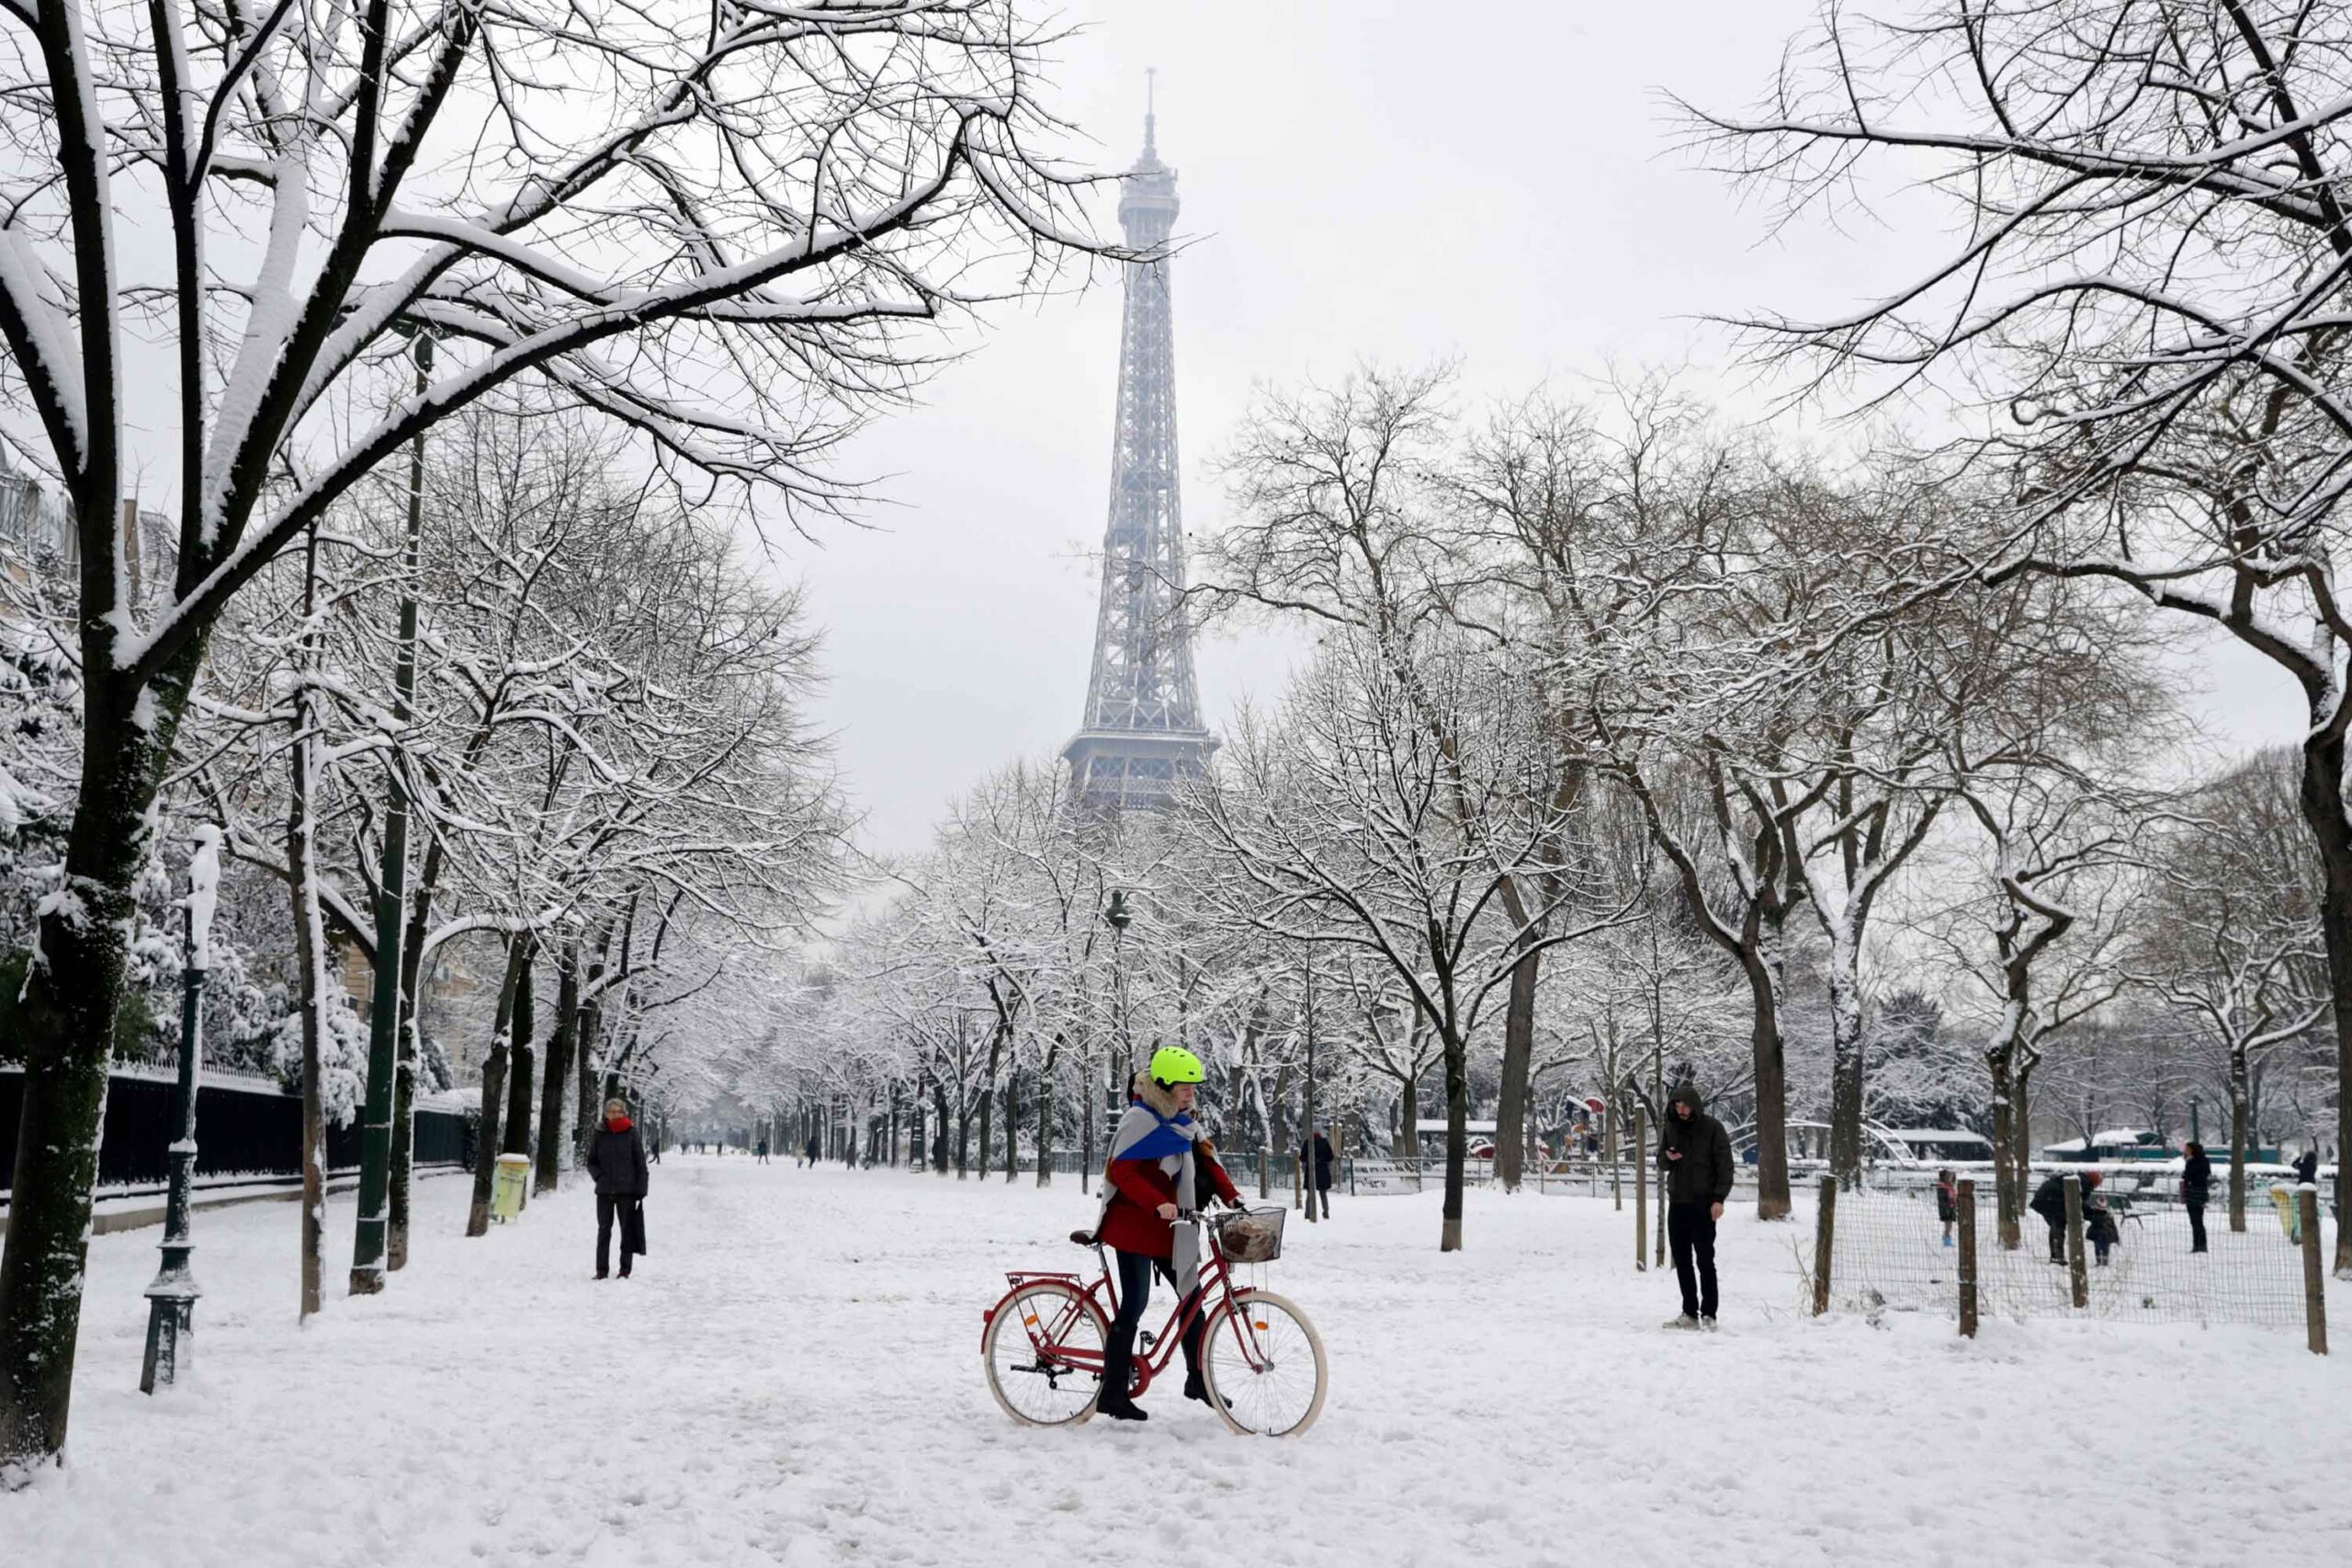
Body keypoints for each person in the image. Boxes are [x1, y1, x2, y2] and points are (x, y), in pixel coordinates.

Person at [1094, 1046, 1242, 1422]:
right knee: (1134, 1303)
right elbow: (1121, 1173)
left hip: (1170, 1226)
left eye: (1194, 1085)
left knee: (1191, 1298)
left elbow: (1206, 1159)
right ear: (1163, 1084)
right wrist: (1158, 1201)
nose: (1191, 1091)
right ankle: (1112, 1393)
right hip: (1133, 1225)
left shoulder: (1184, 1120)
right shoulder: (1139, 1118)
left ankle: (1198, 1379)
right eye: (1183, 1084)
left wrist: (1232, 1196)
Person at [1656, 1083, 1735, 1330]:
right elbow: (1661, 1161)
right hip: (1677, 1202)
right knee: (1682, 1259)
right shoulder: (1671, 1128)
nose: (1681, 1109)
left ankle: (1709, 1313)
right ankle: (1689, 1312)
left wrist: (1719, 1199)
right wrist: (1668, 1158)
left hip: (1703, 1204)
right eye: (1676, 1104)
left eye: (1685, 1104)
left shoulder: (1713, 1129)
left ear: (1694, 1105)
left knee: (1705, 1259)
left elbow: (1725, 1166)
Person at [585, 1097, 650, 1280]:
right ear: (606, 1114)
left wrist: (641, 1188)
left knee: (626, 1231)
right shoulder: (599, 1133)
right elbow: (591, 1161)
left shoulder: (632, 1133)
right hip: (604, 1191)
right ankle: (601, 1270)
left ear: (624, 1113)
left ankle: (625, 1270)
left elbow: (640, 1163)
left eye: (618, 1112)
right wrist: (599, 1177)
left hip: (626, 1191)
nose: (615, 1115)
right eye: (611, 1112)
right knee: (604, 1230)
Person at [2030, 1169, 2103, 1262]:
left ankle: (2056, 1255)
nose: (2096, 1187)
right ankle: (2057, 1256)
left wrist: (2091, 1214)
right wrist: (2093, 1215)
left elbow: (2078, 1203)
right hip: (2051, 1200)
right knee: (2058, 1225)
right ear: (2095, 1182)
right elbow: (2078, 1204)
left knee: (2056, 1226)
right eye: (2098, 1184)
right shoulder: (2085, 1183)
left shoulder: (2080, 1179)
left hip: (2045, 1198)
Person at [2182, 1141, 2211, 1254]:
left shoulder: (2201, 1161)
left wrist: (2188, 1174)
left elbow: (2194, 1176)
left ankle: (2201, 1245)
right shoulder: (2190, 1162)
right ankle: (2196, 1244)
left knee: (2198, 1220)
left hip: (2198, 1193)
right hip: (2191, 1193)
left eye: (2188, 1149)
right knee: (2193, 1221)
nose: (2186, 1151)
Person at [1301, 1125, 1335, 1220]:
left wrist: (1310, 1160)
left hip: (1311, 1171)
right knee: (1323, 1194)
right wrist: (1322, 1160)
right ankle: (1326, 1212)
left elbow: (1302, 1158)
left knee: (1310, 1194)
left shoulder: (1308, 1142)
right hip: (1323, 1171)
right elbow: (1331, 1157)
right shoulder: (1324, 1143)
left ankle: (1307, 1213)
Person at [1935, 1168, 1957, 1248]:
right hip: (1946, 1209)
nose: (1952, 1179)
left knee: (1949, 1225)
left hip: (1950, 1208)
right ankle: (1946, 1240)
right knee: (1948, 1225)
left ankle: (1946, 1238)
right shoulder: (1942, 1187)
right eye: (1950, 1177)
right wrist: (1950, 1203)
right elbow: (1943, 1199)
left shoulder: (1950, 1187)